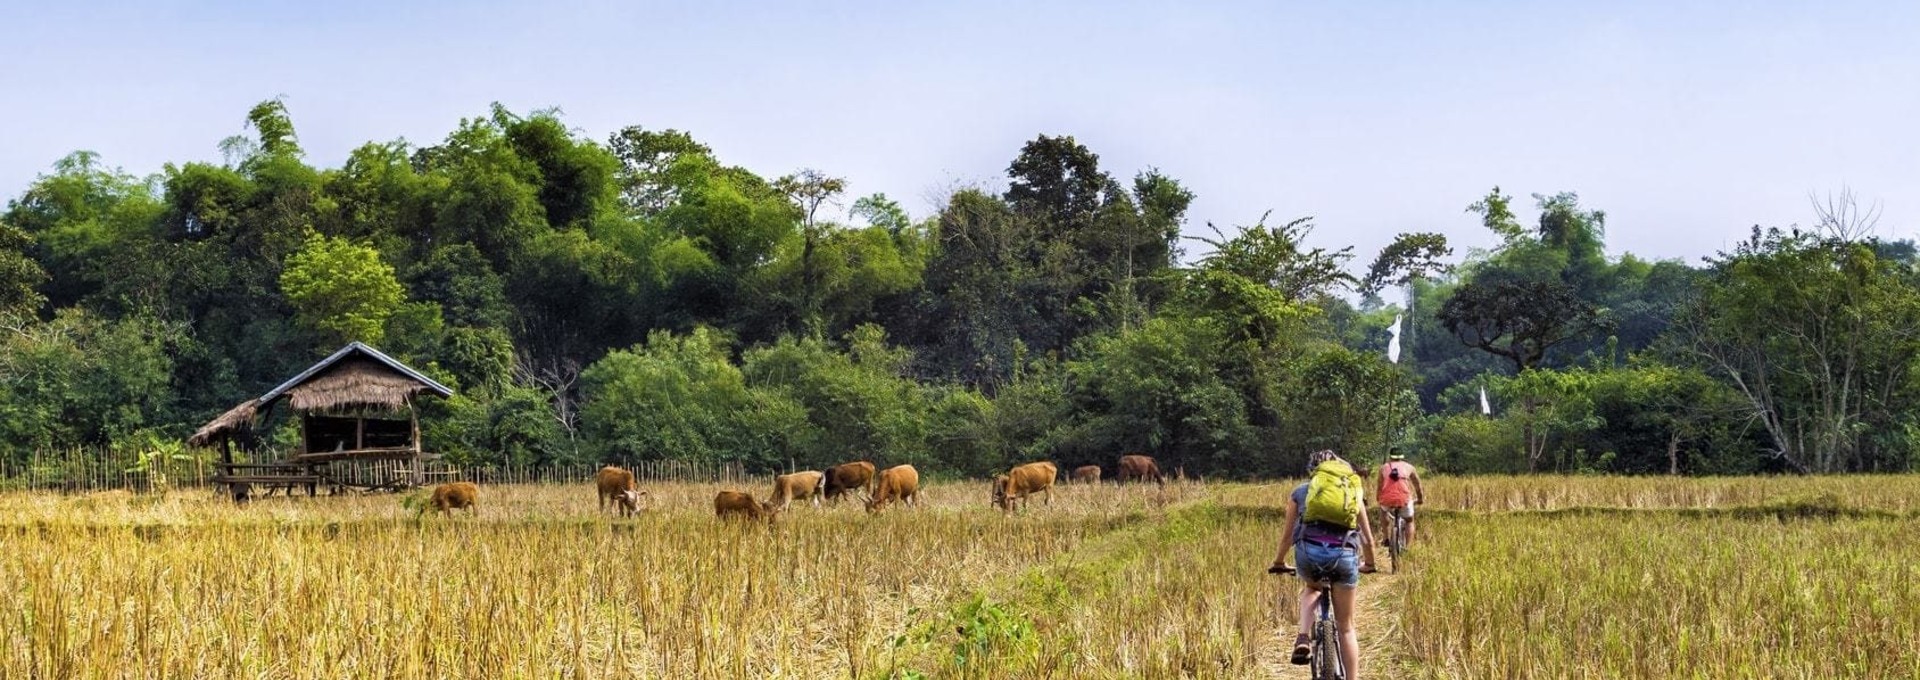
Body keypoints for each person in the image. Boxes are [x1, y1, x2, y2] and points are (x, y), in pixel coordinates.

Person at [1270, 450, 1377, 675]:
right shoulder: (1352, 492)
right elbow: (1368, 538)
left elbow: (1288, 536)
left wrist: (1279, 562)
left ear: (1313, 471)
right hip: (1345, 557)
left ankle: (1302, 636)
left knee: (1311, 587)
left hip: (1309, 556)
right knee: (1345, 627)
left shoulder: (1300, 492)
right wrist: (1369, 563)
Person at [1375, 450, 1424, 545]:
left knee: (1383, 511)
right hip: (1404, 499)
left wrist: (1378, 499)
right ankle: (1408, 547)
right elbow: (1418, 486)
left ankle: (1385, 538)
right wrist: (1420, 499)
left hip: (1387, 499)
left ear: (1390, 457)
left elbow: (1379, 487)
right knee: (1409, 520)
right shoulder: (1409, 467)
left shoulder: (1383, 468)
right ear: (1402, 457)